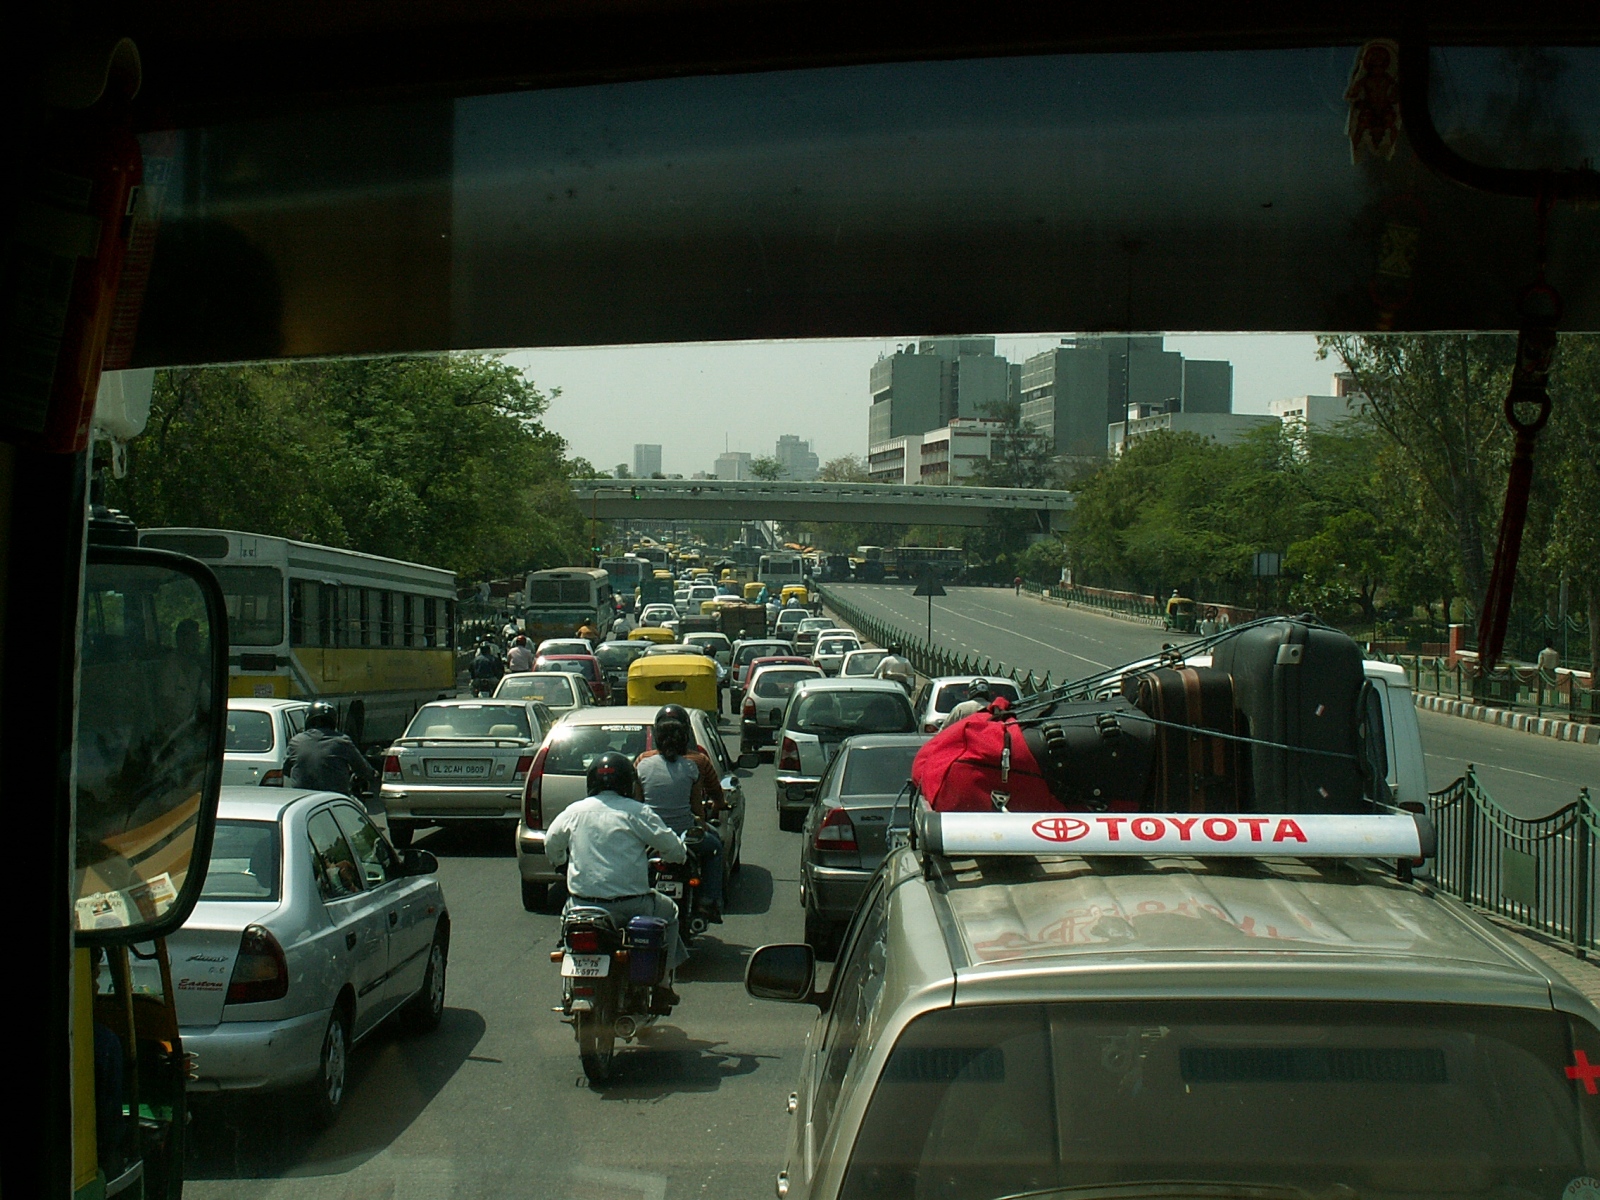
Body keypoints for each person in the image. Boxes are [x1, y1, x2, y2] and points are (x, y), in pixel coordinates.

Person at [544, 751, 689, 1004]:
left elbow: (551, 843)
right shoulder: (638, 812)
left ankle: (568, 983)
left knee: (567, 925)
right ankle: (664, 982)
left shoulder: (575, 811)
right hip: (634, 906)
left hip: (583, 905)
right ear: (628, 783)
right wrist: (678, 855)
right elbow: (673, 849)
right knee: (671, 913)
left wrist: (562, 865)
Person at [633, 705, 727, 921]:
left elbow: (637, 803)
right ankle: (708, 902)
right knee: (715, 848)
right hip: (685, 834)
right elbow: (697, 810)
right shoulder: (694, 766)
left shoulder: (642, 763)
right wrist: (702, 822)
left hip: (650, 835)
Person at [284, 702, 378, 796]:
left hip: (301, 800)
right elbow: (362, 768)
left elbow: (286, 770)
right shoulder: (342, 741)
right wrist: (373, 773)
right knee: (360, 808)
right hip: (334, 799)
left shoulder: (296, 741)